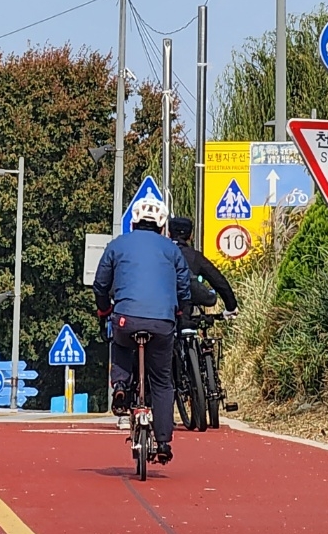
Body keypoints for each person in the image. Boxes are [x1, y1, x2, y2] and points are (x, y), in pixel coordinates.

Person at [91, 196, 192, 463]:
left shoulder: (117, 245)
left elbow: (100, 285)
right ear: (162, 226)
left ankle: (121, 386)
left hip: (127, 318)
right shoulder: (172, 250)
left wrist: (104, 312)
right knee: (161, 380)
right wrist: (179, 313)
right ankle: (163, 442)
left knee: (121, 342)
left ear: (133, 222)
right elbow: (184, 288)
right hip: (162, 322)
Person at [167, 216, 240, 323]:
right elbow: (218, 281)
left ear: (168, 233)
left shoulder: (159, 253)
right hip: (186, 312)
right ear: (191, 236)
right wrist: (231, 307)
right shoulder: (195, 257)